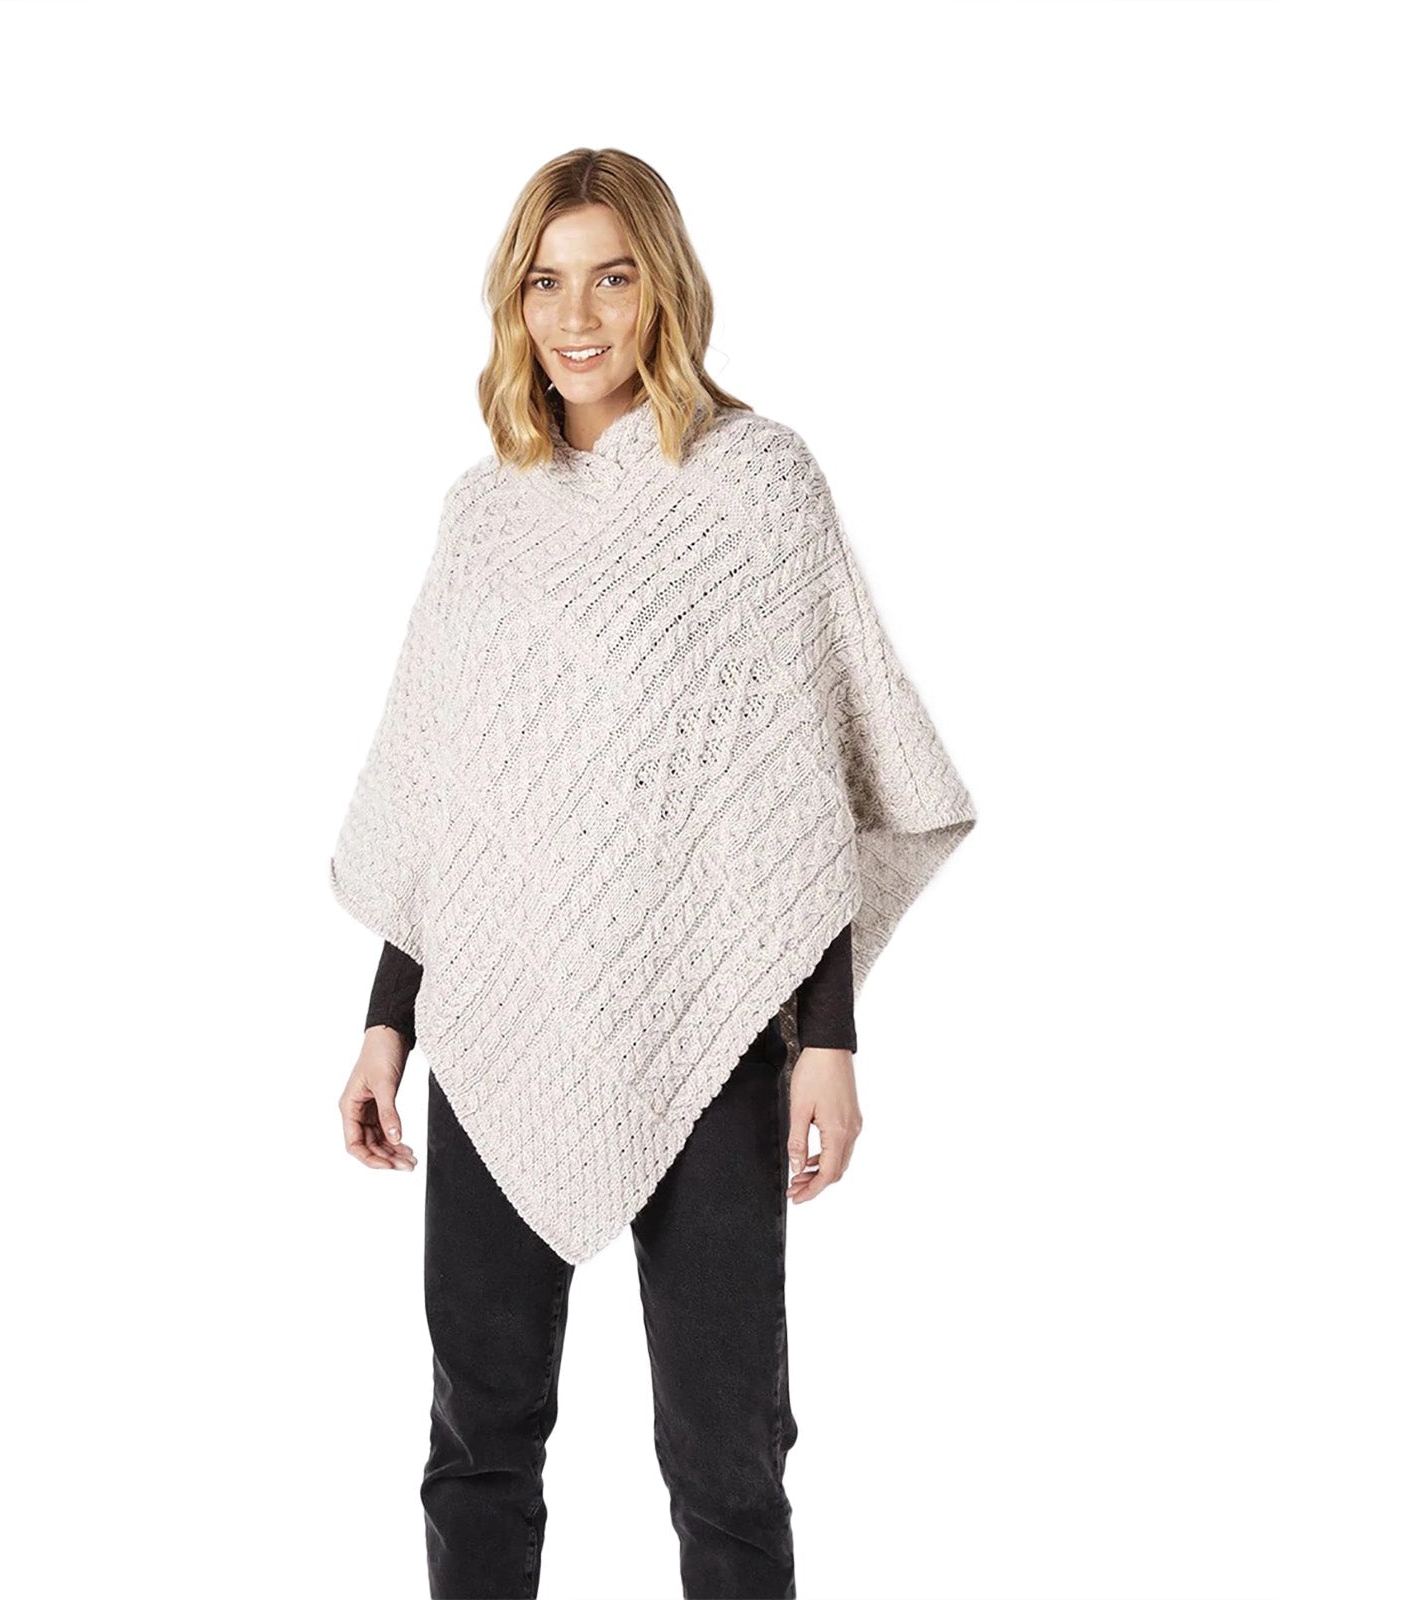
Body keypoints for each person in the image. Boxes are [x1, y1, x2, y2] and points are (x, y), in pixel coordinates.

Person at [327, 147, 976, 1600]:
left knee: (727, 1457)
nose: (577, 316)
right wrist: (386, 1020)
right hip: (501, 1020)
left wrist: (830, 1041)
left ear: (662, 288)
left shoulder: (758, 485)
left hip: (713, 1014)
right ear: (512, 303)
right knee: (478, 1441)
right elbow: (448, 799)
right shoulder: (484, 513)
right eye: (545, 282)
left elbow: (804, 789)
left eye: (610, 278)